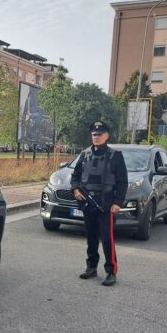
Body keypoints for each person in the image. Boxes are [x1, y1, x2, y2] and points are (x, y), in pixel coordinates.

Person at [70, 121, 128, 286]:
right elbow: (75, 177)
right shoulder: (85, 154)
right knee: (91, 238)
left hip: (106, 204)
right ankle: (91, 268)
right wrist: (75, 190)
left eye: (100, 134)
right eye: (94, 134)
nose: (96, 137)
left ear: (107, 136)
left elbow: (122, 181)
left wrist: (118, 202)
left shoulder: (115, 156)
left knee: (107, 239)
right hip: (88, 204)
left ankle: (111, 272)